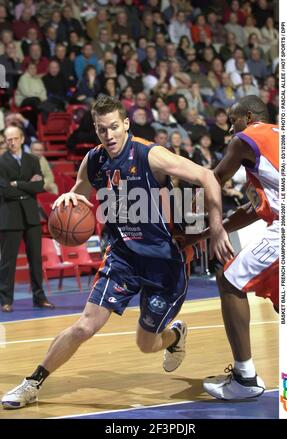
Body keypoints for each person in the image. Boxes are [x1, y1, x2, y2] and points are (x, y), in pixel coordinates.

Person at [1, 95, 233, 409]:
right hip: (123, 257)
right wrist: (68, 198)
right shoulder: (95, 159)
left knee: (146, 343)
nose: (108, 135)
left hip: (165, 262)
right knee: (84, 326)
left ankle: (175, 336)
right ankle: (32, 382)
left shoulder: (150, 154)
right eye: (101, 129)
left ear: (125, 124)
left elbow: (208, 176)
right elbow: (80, 191)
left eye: (113, 127)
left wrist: (217, 228)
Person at [176, 95, 279, 400]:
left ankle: (245, 379)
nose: (230, 127)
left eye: (233, 119)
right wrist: (203, 235)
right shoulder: (278, 138)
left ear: (248, 117)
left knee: (229, 279)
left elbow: (214, 178)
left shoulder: (246, 139)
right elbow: (251, 210)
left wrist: (195, 209)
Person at [0, 126, 55, 312]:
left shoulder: (33, 159)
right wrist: (27, 186)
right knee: (8, 261)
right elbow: (5, 191)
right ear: (5, 141)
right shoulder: (1, 162)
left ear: (22, 139)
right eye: (9, 140)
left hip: (31, 215)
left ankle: (40, 298)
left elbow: (39, 185)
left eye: (15, 138)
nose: (12, 142)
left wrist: (17, 184)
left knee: (35, 259)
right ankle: (5, 300)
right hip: (10, 216)